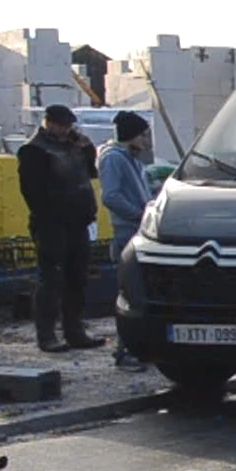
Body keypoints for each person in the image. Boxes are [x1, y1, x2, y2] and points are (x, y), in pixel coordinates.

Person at [17, 104, 106, 353]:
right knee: (52, 279)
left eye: (69, 126)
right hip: (51, 225)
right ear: (49, 123)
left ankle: (74, 330)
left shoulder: (74, 146)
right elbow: (32, 192)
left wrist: (87, 147)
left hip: (78, 222)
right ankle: (46, 335)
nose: (66, 130)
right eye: (62, 125)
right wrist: (52, 216)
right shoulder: (34, 150)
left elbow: (90, 173)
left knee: (77, 278)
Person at [98, 111, 153, 371]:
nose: (146, 140)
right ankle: (123, 351)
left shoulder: (133, 161)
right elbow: (110, 196)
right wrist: (140, 213)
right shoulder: (113, 160)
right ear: (131, 135)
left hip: (138, 232)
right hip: (126, 234)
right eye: (142, 134)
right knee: (128, 295)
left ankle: (136, 347)